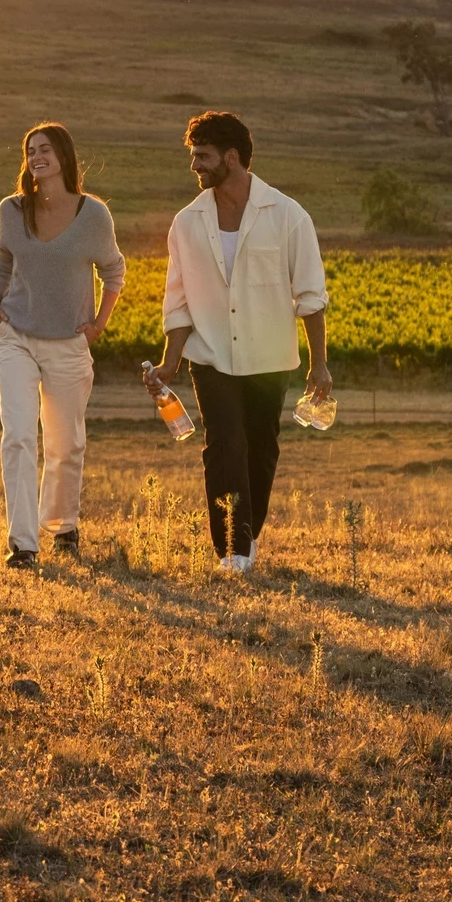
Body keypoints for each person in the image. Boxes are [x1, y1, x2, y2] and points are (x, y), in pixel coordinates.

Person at [153, 110, 329, 574]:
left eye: (203, 156)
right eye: (194, 156)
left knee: (261, 447)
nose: (195, 166)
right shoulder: (186, 223)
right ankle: (232, 549)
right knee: (224, 444)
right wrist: (171, 362)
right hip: (209, 355)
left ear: (232, 158)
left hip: (270, 357)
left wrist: (320, 365)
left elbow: (311, 296)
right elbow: (178, 300)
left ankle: (246, 535)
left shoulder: (289, 217)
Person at [0, 122, 125, 570]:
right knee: (20, 436)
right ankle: (23, 544)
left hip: (69, 343)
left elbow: (114, 271)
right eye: (30, 151)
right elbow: (3, 260)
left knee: (67, 445)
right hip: (17, 340)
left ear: (64, 157)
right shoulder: (12, 210)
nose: (36, 156)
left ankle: (62, 525)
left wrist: (97, 325)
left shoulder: (94, 216)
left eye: (45, 149)